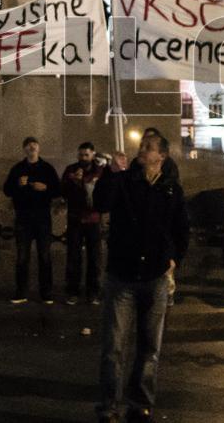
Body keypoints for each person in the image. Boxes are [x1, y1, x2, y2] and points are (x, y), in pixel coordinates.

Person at [94, 133, 189, 423]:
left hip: (155, 278)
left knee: (149, 348)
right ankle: (109, 406)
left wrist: (173, 259)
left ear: (161, 156)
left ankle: (141, 402)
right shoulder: (124, 181)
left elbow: (181, 229)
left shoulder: (171, 189)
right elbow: (101, 202)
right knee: (114, 347)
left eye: (149, 147)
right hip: (122, 276)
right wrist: (112, 174)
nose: (142, 150)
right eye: (142, 145)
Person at [3, 137, 61, 304]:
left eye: (34, 145)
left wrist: (46, 188)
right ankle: (21, 292)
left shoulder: (47, 169)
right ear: (24, 149)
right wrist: (18, 185)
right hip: (23, 219)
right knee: (22, 257)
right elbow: (7, 190)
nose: (31, 147)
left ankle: (46, 293)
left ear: (39, 149)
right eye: (28, 145)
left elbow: (57, 190)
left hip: (42, 219)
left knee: (44, 256)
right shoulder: (17, 169)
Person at [62, 141, 106, 305]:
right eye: (80, 155)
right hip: (75, 219)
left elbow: (104, 191)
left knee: (95, 258)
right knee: (73, 257)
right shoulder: (70, 170)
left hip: (93, 219)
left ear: (93, 154)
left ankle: (93, 292)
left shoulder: (100, 171)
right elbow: (63, 192)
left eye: (86, 155)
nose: (83, 158)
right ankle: (73, 291)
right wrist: (73, 183)